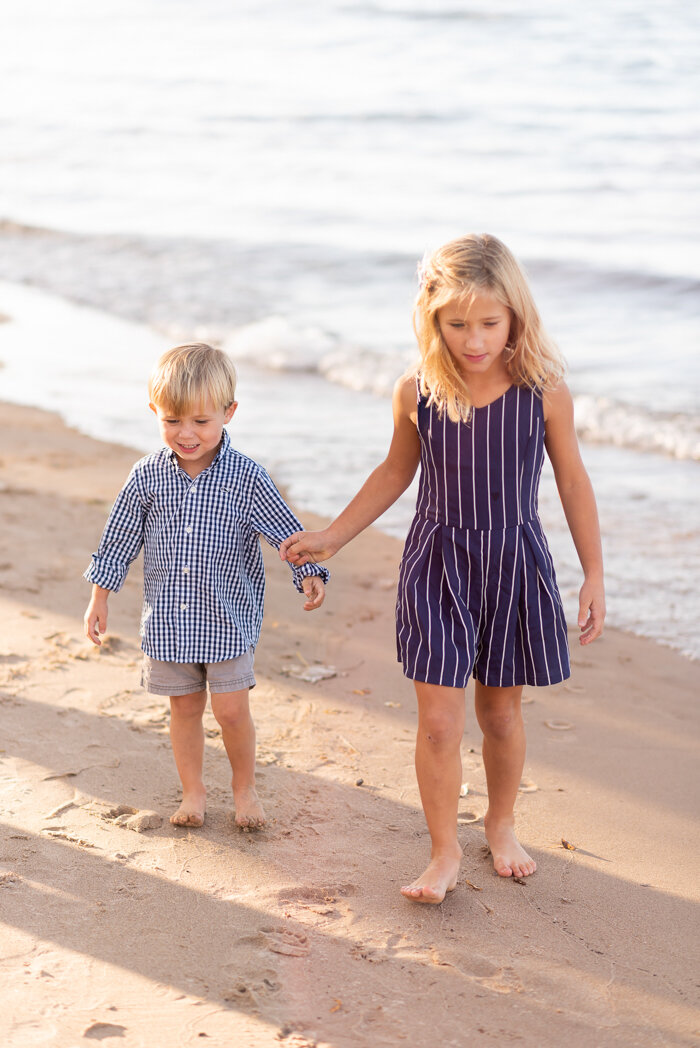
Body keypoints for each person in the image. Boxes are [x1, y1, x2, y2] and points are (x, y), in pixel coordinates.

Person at [280, 234, 605, 902]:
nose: (474, 339)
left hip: (514, 564)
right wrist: (334, 537)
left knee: (501, 716)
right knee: (437, 721)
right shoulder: (418, 390)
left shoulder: (543, 393)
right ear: (432, 318)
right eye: (457, 324)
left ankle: (501, 822)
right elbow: (397, 470)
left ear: (515, 315)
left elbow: (573, 482)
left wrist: (593, 573)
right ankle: (443, 851)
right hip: (437, 564)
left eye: (489, 323)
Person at [84, 343, 328, 830]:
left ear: (229, 413)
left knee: (232, 711)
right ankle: (193, 792)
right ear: (155, 411)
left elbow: (286, 532)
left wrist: (309, 573)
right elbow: (118, 538)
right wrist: (99, 597)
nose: (186, 433)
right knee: (185, 708)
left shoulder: (247, 478)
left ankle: (244, 788)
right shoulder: (147, 475)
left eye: (200, 420)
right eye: (173, 420)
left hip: (227, 620)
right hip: (171, 622)